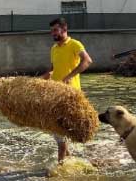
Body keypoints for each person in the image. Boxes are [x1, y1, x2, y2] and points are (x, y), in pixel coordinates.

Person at [41, 17, 93, 163]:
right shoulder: (54, 48)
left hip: (71, 95)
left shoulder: (75, 44)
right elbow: (52, 70)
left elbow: (87, 61)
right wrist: (36, 81)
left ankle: (60, 164)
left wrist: (69, 76)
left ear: (64, 29)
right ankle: (68, 158)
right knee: (57, 129)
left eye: (55, 30)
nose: (53, 33)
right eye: (51, 31)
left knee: (59, 131)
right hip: (55, 95)